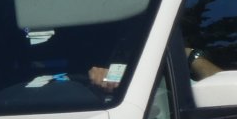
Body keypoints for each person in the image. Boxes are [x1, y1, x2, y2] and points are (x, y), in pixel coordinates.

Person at [89, 45, 221, 90]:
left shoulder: (175, 78)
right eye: (121, 52)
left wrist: (188, 55)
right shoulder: (90, 85)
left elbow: (221, 86)